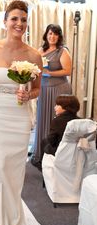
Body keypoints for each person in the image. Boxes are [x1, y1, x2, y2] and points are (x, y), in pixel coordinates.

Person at [0, 0, 42, 225]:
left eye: (24, 19)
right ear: (5, 21)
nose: (19, 24)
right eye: (14, 18)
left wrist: (28, 95)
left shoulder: (33, 54)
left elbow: (37, 88)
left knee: (15, 173)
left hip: (19, 118)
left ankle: (14, 222)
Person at [31, 24, 72, 168]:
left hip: (59, 89)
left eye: (55, 34)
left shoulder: (63, 51)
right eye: (50, 34)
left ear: (59, 36)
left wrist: (50, 73)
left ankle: (56, 154)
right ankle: (40, 153)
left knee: (56, 120)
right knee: (42, 119)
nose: (52, 37)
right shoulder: (40, 50)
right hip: (43, 89)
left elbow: (68, 71)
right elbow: (34, 67)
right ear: (46, 35)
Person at [38, 94, 80, 170]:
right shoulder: (81, 121)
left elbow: (52, 141)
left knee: (44, 142)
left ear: (66, 107)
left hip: (60, 152)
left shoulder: (57, 121)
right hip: (77, 154)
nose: (55, 107)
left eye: (57, 105)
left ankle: (43, 168)